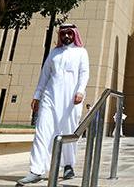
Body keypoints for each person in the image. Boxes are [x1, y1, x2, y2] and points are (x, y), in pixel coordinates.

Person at [17, 24, 89, 185]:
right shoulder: (54, 53)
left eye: (70, 33)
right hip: (50, 97)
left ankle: (69, 165)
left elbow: (84, 74)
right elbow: (44, 75)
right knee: (42, 131)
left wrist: (80, 91)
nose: (67, 36)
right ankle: (36, 170)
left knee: (68, 132)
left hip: (71, 99)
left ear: (74, 34)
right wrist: (37, 96)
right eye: (63, 33)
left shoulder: (81, 52)